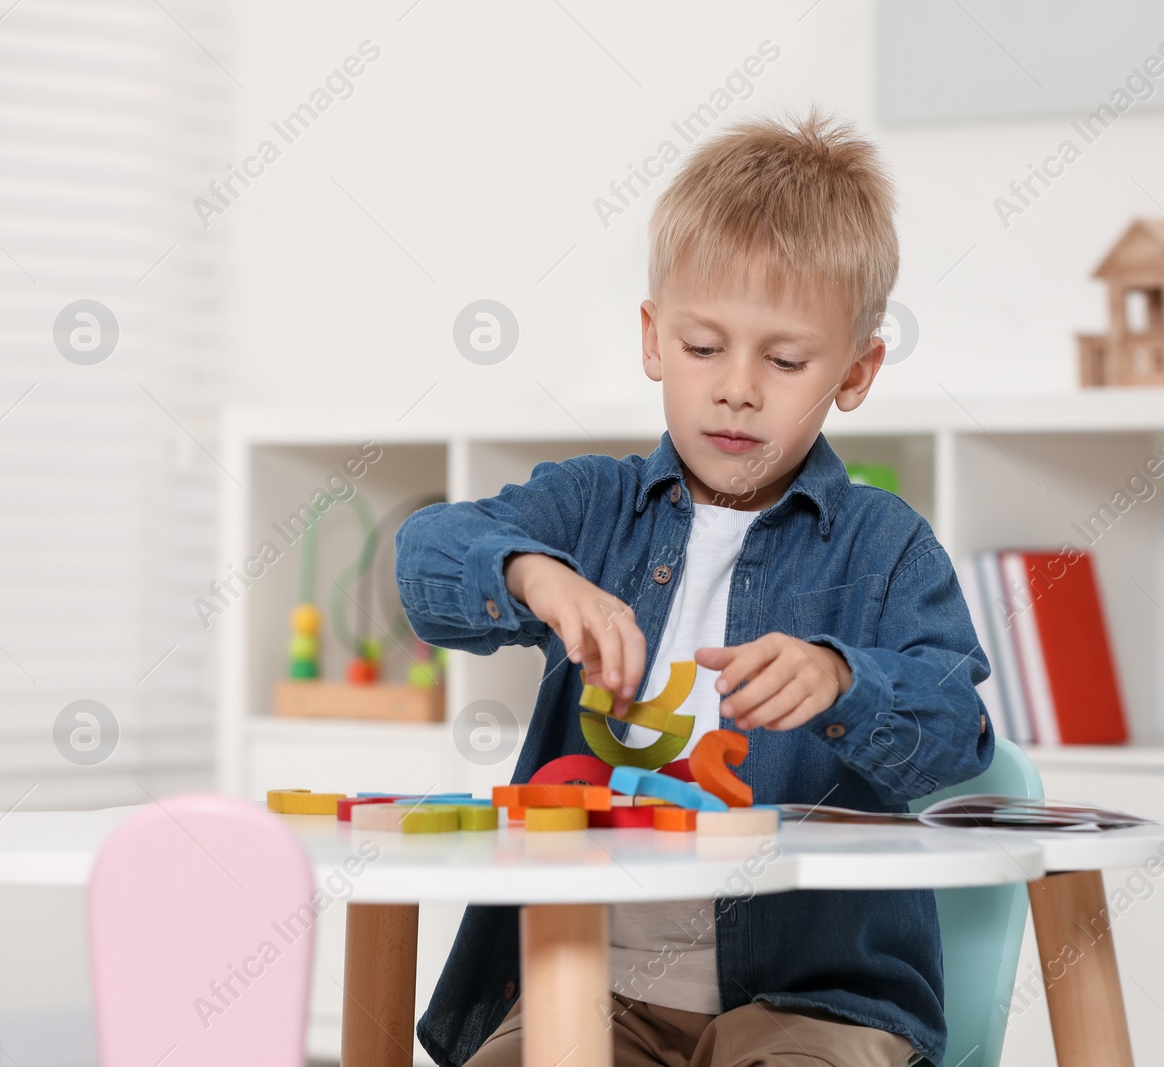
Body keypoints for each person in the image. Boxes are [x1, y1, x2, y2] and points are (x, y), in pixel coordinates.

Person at [395, 104, 992, 1067]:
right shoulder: (593, 507)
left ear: (857, 370)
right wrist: (533, 573)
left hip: (815, 1003)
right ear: (653, 341)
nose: (738, 387)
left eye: (787, 359)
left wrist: (845, 683)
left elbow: (958, 731)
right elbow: (427, 558)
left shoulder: (885, 546)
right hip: (585, 990)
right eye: (704, 347)